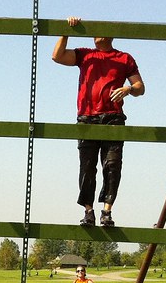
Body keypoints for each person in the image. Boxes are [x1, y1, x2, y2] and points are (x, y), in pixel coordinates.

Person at [52, 16, 144, 228]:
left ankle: (107, 211)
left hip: (113, 118)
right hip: (87, 117)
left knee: (112, 165)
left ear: (112, 34)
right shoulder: (85, 54)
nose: (96, 34)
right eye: (94, 30)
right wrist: (66, 31)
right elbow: (57, 56)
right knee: (87, 167)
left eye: (101, 29)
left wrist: (129, 89)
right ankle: (88, 211)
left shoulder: (124, 58)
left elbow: (140, 87)